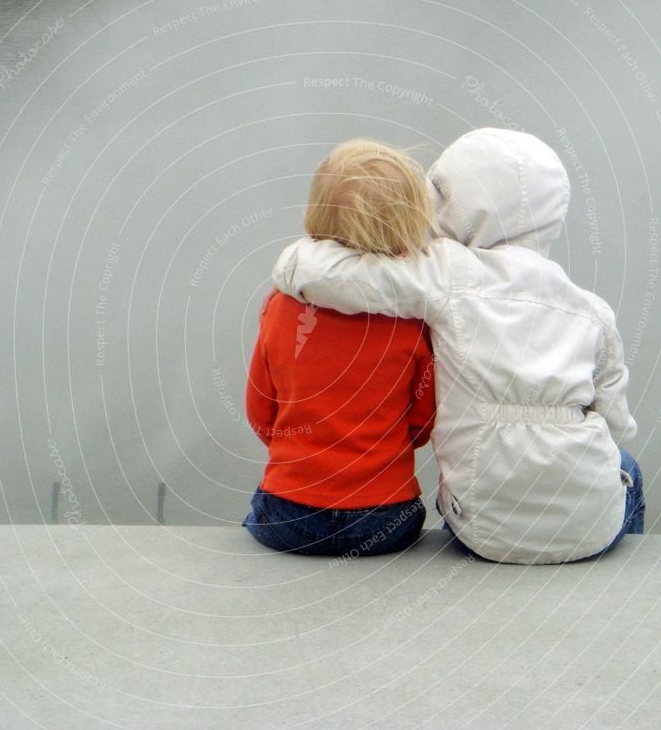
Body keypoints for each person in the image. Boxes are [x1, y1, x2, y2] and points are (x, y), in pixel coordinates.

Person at [272, 128, 644, 564]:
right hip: (590, 526)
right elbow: (615, 419)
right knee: (625, 464)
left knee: (474, 482)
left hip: (484, 530)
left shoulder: (449, 274)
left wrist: (295, 259)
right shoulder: (592, 310)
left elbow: (335, 277)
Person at [243, 139, 437, 556]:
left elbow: (261, 411)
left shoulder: (280, 307)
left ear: (313, 224)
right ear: (407, 235)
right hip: (387, 518)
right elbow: (423, 421)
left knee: (256, 514)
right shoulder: (412, 319)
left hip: (290, 513)